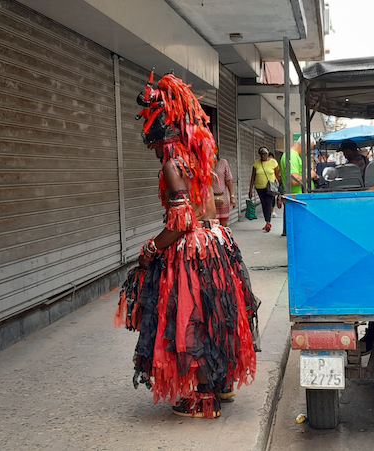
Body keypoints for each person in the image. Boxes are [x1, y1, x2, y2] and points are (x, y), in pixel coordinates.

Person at [115, 71, 257, 419]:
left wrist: (150, 249)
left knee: (191, 318)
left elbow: (180, 222)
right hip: (217, 243)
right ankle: (222, 382)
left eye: (151, 144)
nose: (152, 152)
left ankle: (201, 397)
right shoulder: (199, 159)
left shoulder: (171, 163)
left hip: (193, 250)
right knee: (216, 315)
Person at [279, 137, 317, 236]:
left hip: (299, 198)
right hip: (297, 199)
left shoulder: (294, 156)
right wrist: (310, 175)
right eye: (310, 149)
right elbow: (293, 180)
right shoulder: (291, 156)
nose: (308, 152)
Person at [248, 146, 281, 232]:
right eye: (261, 154)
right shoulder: (256, 164)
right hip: (259, 187)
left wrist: (276, 182)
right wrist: (250, 189)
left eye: (265, 154)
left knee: (268, 203)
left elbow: (278, 173)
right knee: (264, 203)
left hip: (270, 188)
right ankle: (267, 221)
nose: (263, 156)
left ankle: (268, 222)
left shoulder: (273, 162)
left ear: (268, 153)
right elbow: (253, 177)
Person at [212, 156, 235, 227]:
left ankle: (225, 237)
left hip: (223, 198)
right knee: (213, 225)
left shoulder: (223, 162)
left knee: (224, 225)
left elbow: (229, 180)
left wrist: (232, 196)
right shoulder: (205, 163)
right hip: (210, 199)